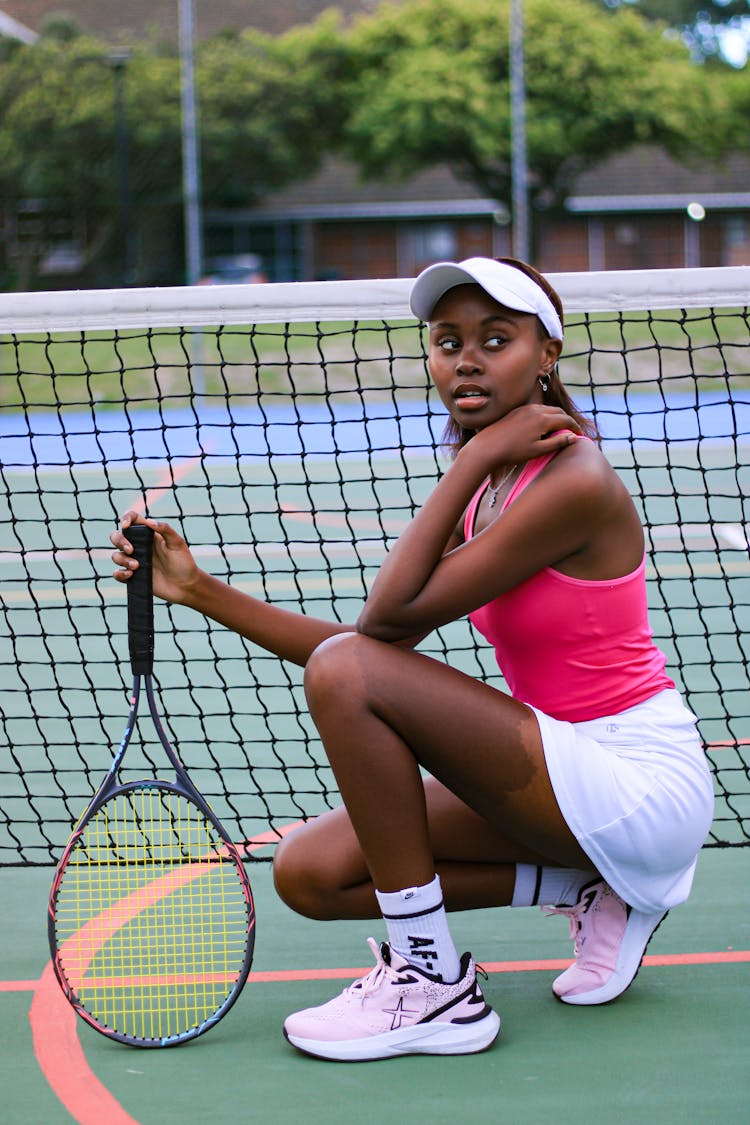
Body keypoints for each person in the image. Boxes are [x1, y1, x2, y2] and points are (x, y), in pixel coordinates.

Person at [111, 256, 715, 1063]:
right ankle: (581, 887)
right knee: (311, 872)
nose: (465, 358)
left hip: (639, 784)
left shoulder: (575, 479)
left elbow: (374, 630)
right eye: (447, 340)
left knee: (348, 673)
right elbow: (375, 646)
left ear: (547, 355)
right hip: (565, 774)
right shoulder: (492, 484)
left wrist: (469, 457)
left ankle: (433, 984)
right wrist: (202, 590)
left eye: (495, 339)